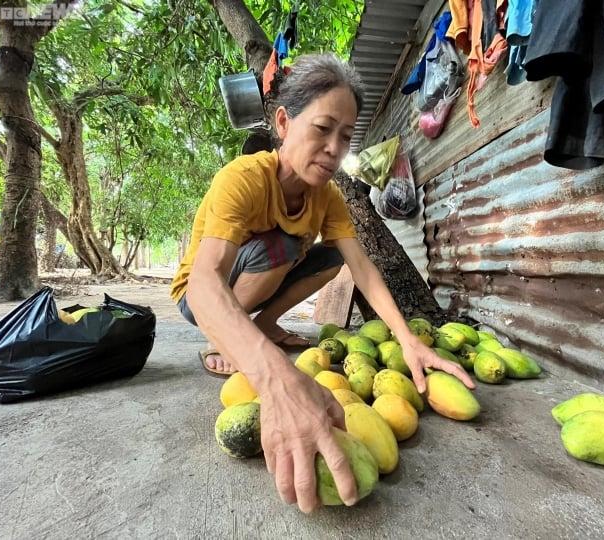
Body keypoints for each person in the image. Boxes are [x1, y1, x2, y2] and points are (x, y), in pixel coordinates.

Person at [170, 54, 475, 513]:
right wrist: (273, 377)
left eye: (346, 136)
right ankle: (229, 341)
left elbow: (363, 269)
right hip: (203, 298)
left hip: (258, 281)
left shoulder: (327, 197)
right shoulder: (244, 179)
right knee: (284, 246)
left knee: (330, 256)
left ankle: (265, 325)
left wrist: (407, 340)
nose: (335, 147)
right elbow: (203, 283)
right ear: (283, 122)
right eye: (323, 128)